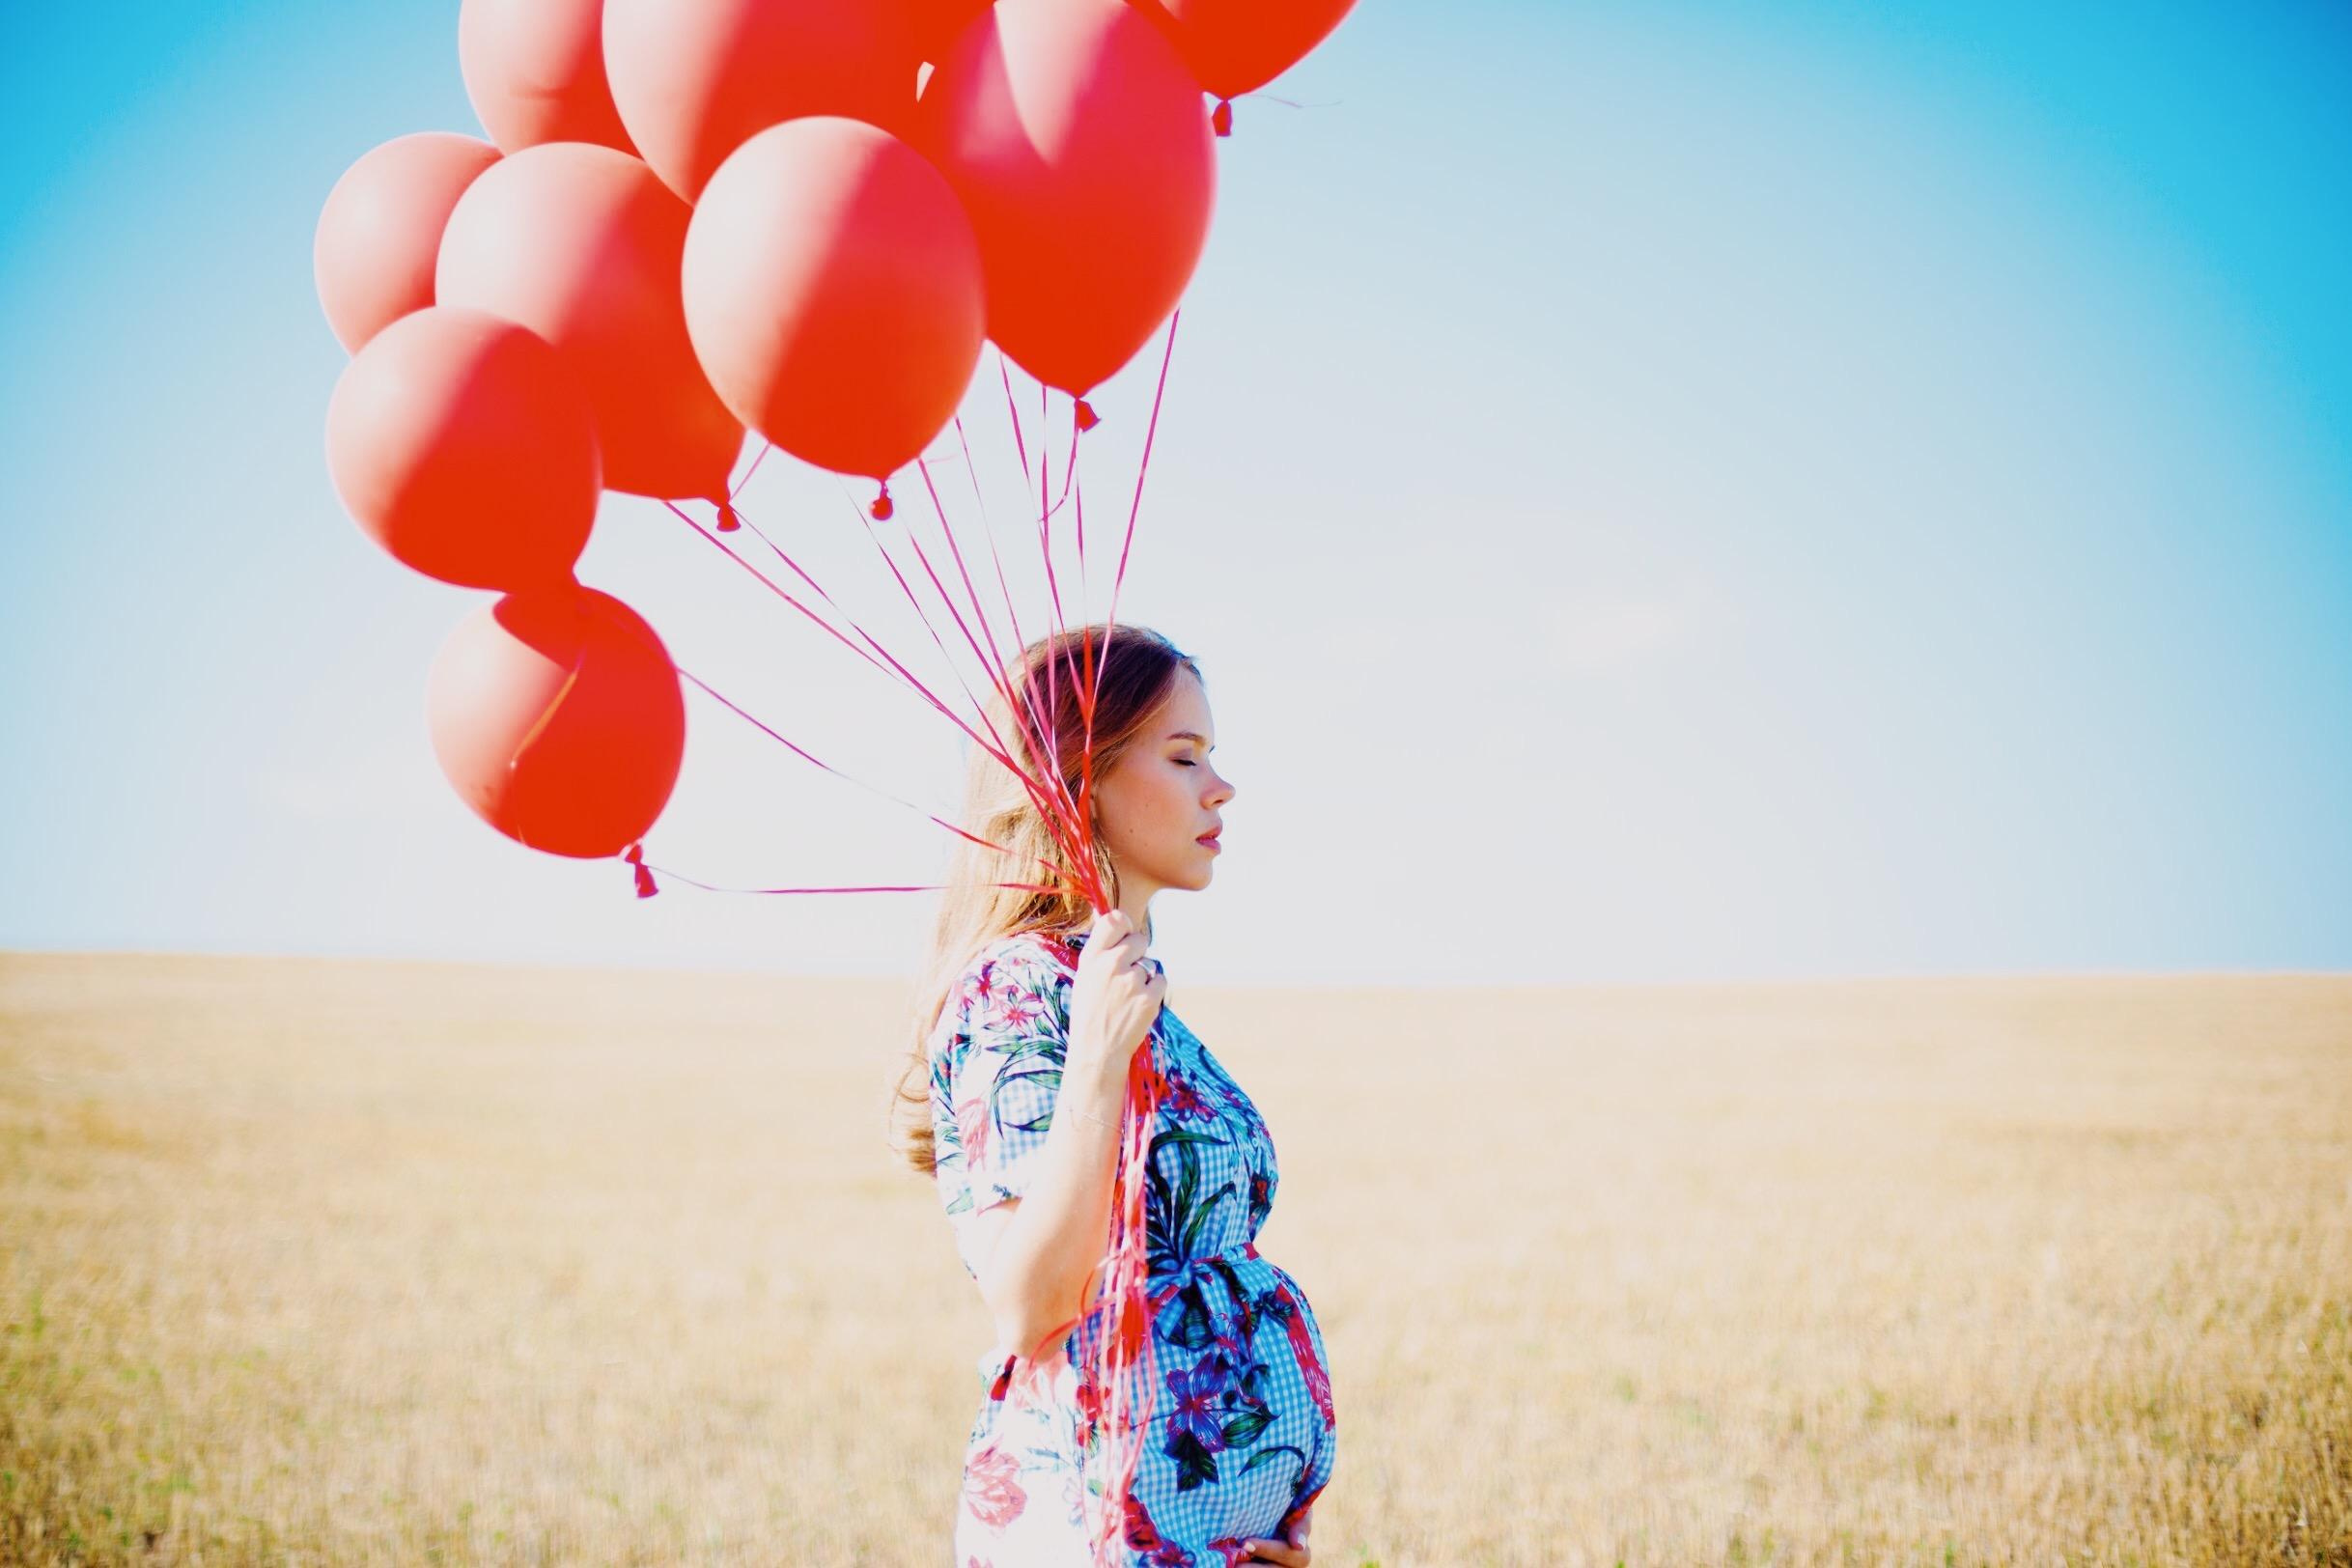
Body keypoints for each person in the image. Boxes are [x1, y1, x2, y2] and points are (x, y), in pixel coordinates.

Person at [889, 623, 1334, 1567]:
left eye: (1212, 755)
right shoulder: (1017, 992)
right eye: (1183, 756)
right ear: (1075, 778)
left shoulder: (1137, 997)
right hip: (1084, 1532)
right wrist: (1094, 1062)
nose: (1220, 786)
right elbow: (1031, 1302)